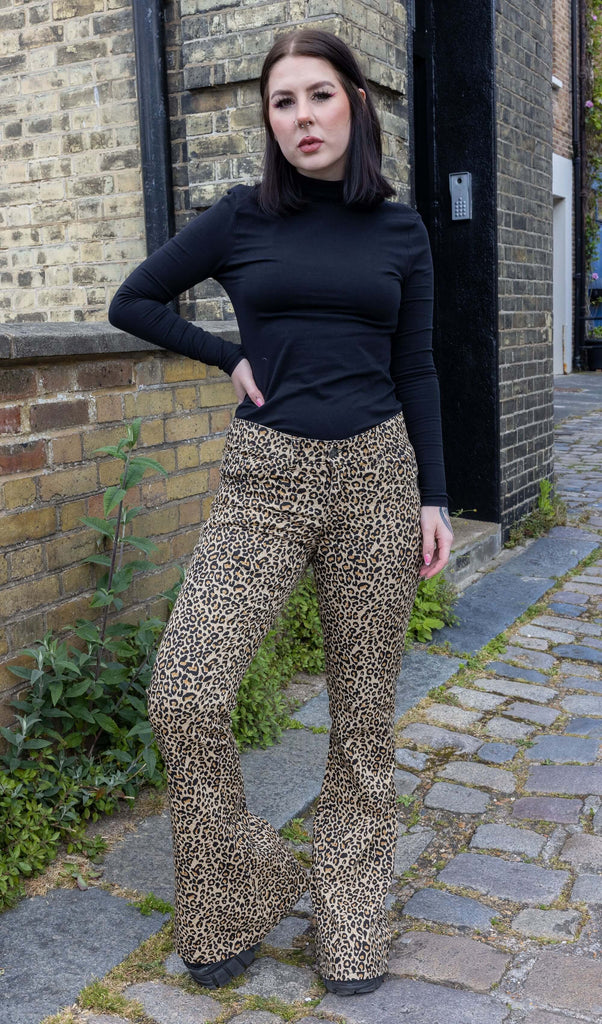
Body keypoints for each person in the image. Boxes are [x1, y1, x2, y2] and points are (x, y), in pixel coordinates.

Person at [108, 27, 453, 997]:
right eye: (281, 101)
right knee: (184, 691)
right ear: (268, 120)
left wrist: (431, 493)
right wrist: (228, 356)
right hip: (261, 482)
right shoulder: (237, 218)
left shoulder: (399, 228)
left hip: (377, 483)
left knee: (359, 725)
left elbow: (416, 365)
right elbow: (134, 300)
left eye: (318, 95)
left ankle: (349, 916)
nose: (301, 116)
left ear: (354, 102)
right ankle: (237, 883)